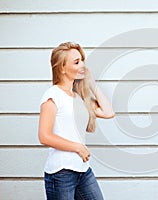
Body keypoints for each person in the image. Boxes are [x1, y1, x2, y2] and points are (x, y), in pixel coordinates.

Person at [38, 42, 115, 199]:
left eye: (82, 60)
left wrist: (91, 83)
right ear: (62, 69)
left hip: (82, 170)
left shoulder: (79, 96)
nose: (83, 65)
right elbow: (44, 136)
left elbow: (108, 112)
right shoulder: (52, 96)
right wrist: (77, 147)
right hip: (61, 173)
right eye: (76, 62)